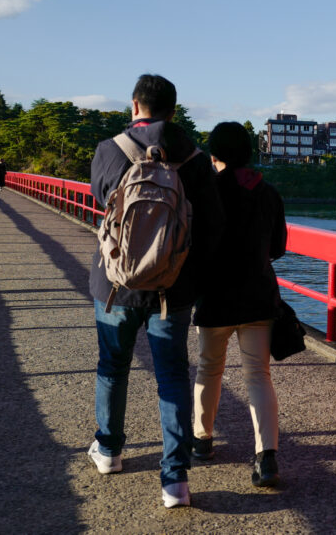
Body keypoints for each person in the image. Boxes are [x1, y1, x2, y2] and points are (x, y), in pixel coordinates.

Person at [87, 75, 223, 508]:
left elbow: (102, 203)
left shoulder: (109, 149)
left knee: (113, 364)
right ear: (173, 110)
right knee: (172, 375)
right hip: (174, 287)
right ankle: (175, 481)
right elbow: (211, 227)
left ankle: (109, 450)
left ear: (134, 106)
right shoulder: (196, 159)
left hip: (116, 285)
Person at [192, 121, 287, 488]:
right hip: (258, 297)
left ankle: (202, 440)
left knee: (208, 368)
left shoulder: (206, 192)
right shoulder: (268, 193)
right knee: (258, 375)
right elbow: (277, 248)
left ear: (214, 155)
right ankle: (267, 458)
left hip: (215, 296)